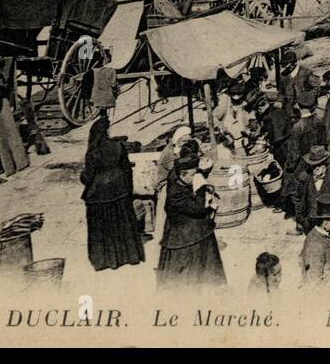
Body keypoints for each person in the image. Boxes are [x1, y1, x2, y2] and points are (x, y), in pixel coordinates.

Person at [80, 113, 145, 272]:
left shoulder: (93, 152)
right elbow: (127, 169)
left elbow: (88, 177)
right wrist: (128, 190)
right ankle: (129, 256)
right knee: (123, 224)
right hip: (120, 191)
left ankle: (106, 260)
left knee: (103, 229)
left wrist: (82, 176)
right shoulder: (118, 147)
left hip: (99, 196)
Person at [157, 147, 226, 287]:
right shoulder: (176, 194)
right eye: (193, 175)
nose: (195, 177)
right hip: (183, 232)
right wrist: (200, 189)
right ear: (182, 175)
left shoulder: (177, 175)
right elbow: (198, 210)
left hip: (184, 223)